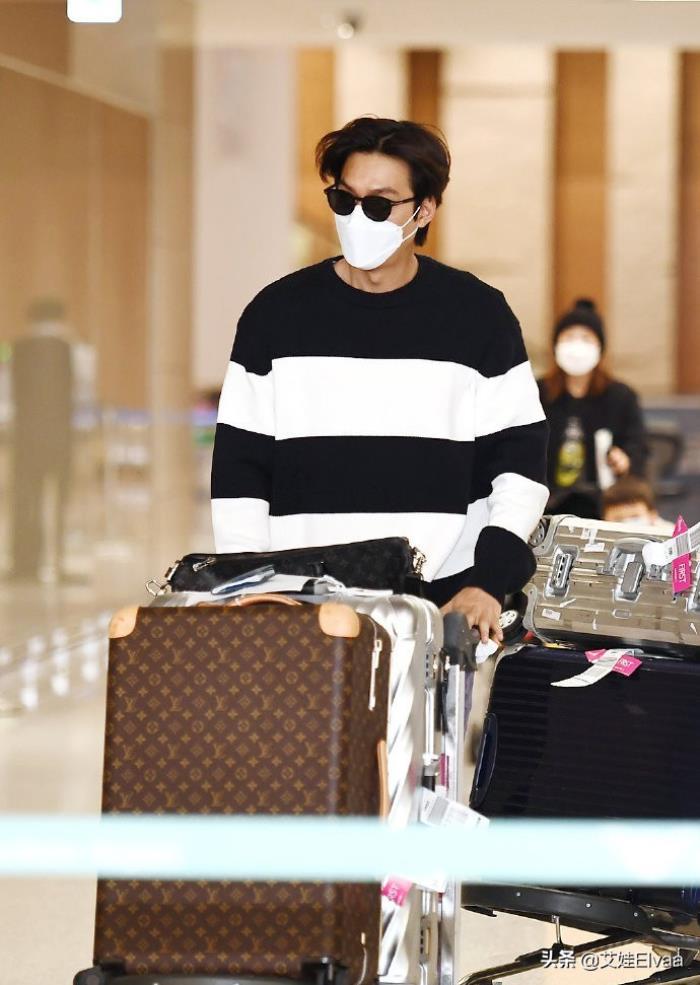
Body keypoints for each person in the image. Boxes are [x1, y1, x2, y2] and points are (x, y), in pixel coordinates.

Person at [211, 117, 549, 643]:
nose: (357, 218)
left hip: (442, 604)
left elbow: (520, 464)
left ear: (424, 209)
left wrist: (488, 581)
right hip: (303, 607)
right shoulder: (275, 315)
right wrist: (247, 588)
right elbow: (240, 470)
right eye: (344, 200)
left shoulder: (478, 316)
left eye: (378, 204)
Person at [538, 298, 647, 518]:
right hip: (545, 505)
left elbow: (637, 446)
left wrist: (625, 460)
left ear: (600, 347)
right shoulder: (536, 393)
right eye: (569, 337)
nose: (577, 346)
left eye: (586, 338)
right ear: (556, 345)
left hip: (602, 506)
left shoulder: (620, 397)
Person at [10, 298, 73, 580]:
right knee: (60, 501)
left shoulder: (20, 349)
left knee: (26, 500)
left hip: (26, 436)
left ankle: (24, 562)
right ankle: (57, 560)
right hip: (60, 437)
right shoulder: (67, 349)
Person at [602, 476, 674, 533]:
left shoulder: (671, 535)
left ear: (652, 515)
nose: (627, 526)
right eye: (618, 520)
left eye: (634, 517)